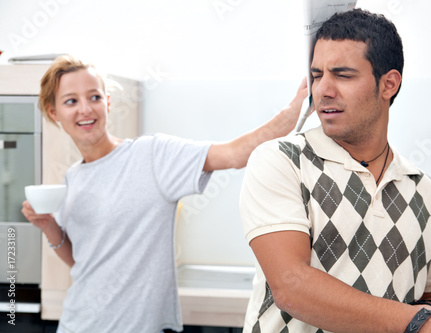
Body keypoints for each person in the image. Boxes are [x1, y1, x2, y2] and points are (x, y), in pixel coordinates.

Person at [21, 55, 307, 333]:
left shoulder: (152, 155)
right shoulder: (72, 177)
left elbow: (234, 154)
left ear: (107, 103)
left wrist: (293, 110)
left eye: (94, 97)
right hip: (77, 323)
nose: (85, 108)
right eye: (71, 101)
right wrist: (48, 226)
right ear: (53, 112)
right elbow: (84, 261)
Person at [239, 9, 431, 333]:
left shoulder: (428, 193)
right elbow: (292, 287)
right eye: (317, 75)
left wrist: (428, 311)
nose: (323, 90)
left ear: (389, 84)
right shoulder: (282, 161)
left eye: (343, 75)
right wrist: (414, 324)